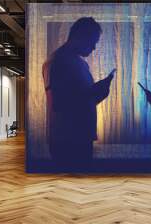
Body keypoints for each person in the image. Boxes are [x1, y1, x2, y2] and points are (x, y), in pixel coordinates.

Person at [42, 17, 116, 168]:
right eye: (93, 42)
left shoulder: (80, 63)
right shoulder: (57, 61)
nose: (94, 48)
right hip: (66, 141)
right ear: (79, 36)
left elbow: (82, 99)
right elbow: (59, 104)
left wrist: (99, 93)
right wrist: (92, 93)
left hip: (80, 137)